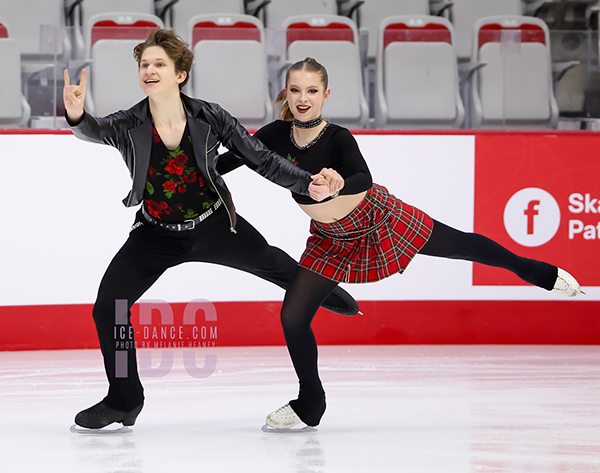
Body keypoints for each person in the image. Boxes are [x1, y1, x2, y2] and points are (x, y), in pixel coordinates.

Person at [216, 57, 583, 430]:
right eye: (295, 90)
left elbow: (362, 175)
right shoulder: (274, 135)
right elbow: (228, 162)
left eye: (312, 91)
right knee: (293, 318)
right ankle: (311, 402)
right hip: (330, 238)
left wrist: (340, 184)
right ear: (286, 93)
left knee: (462, 245)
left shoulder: (338, 136)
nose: (303, 98)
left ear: (326, 95)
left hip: (378, 219)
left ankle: (535, 270)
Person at [63, 31, 359, 431]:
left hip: (215, 224)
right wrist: (77, 115)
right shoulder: (129, 122)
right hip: (155, 233)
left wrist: (307, 183)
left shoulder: (209, 116)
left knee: (272, 263)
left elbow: (261, 158)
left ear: (180, 74)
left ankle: (323, 288)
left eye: (159, 64)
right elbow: (93, 131)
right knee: (109, 308)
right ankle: (124, 398)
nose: (149, 71)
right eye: (144, 65)